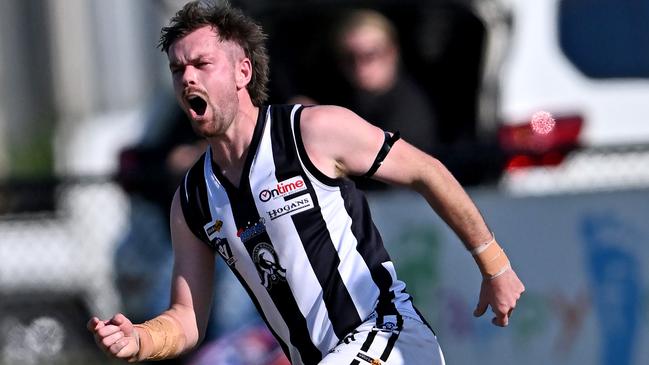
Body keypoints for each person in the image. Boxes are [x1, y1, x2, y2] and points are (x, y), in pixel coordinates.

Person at [87, 2, 525, 365]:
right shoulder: (193, 199)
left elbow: (427, 172)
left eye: (202, 64)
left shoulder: (311, 132)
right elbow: (187, 320)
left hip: (388, 340)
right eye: (177, 69)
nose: (187, 79)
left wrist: (495, 264)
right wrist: (141, 339)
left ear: (242, 72)